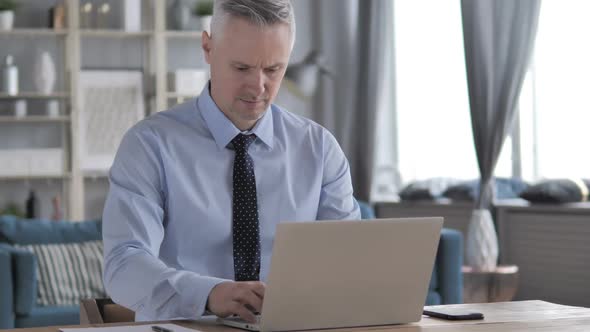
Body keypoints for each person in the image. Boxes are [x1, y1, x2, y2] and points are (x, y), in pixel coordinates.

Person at [102, 0, 360, 324]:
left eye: (273, 69)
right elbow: (123, 265)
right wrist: (210, 294)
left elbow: (346, 265)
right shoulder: (149, 146)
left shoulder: (320, 151)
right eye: (241, 68)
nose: (258, 87)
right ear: (208, 48)